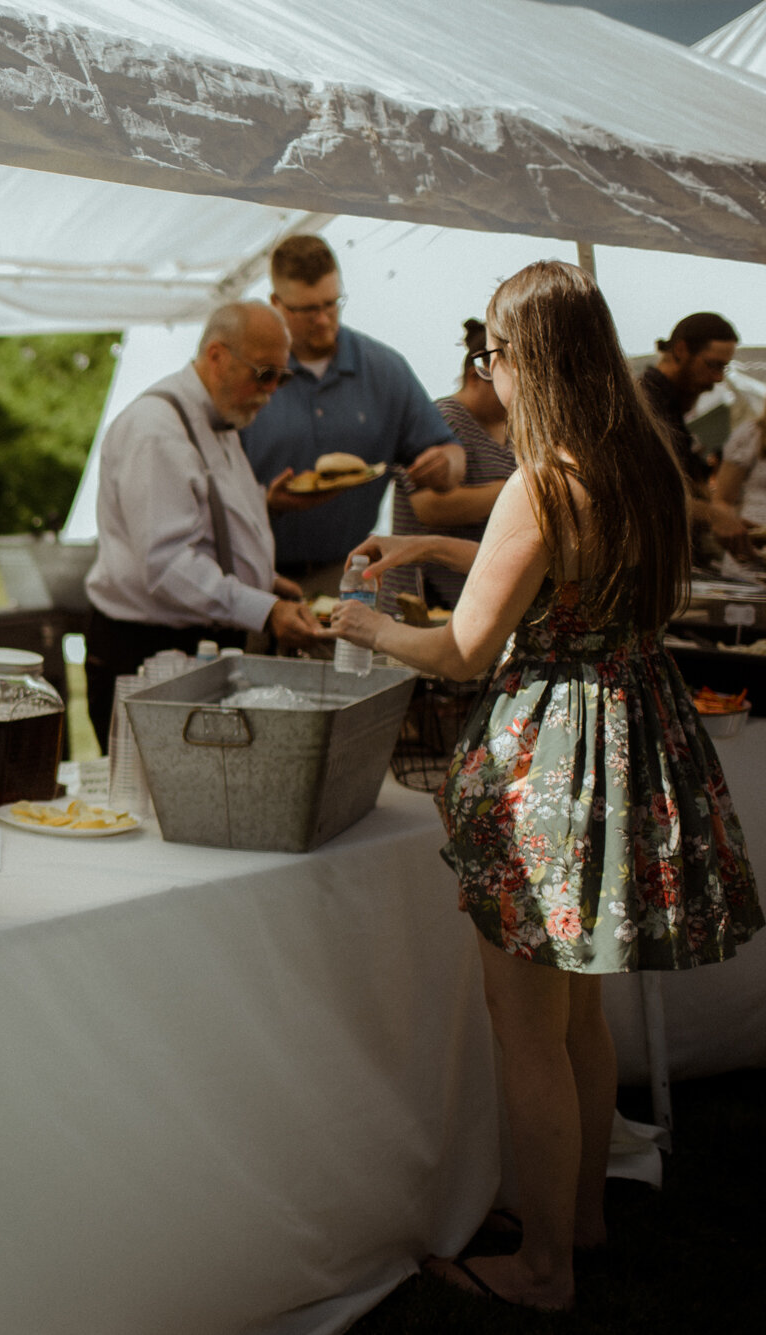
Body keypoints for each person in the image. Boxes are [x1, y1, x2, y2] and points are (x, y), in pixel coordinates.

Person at [329, 260, 761, 1313]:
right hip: (634, 733)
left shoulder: (540, 479)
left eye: (495, 356)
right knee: (577, 1014)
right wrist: (433, 541)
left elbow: (464, 652)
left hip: (548, 767)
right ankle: (581, 1218)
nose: (492, 375)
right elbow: (558, 568)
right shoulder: (643, 464)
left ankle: (540, 1269)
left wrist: (364, 624)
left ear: (525, 358)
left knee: (523, 1024)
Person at [82, 300, 327, 743]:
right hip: (146, 652)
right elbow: (169, 565)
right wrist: (264, 609)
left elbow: (206, 527)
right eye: (264, 374)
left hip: (193, 645)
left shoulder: (219, 417)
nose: (272, 391)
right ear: (217, 357)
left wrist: (263, 578)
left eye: (282, 376)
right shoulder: (157, 430)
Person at [240, 235, 469, 597]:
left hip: (343, 576)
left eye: (332, 303)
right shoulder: (251, 373)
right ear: (276, 304)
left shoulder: (383, 370)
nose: (322, 319)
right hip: (251, 576)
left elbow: (451, 455)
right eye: (307, 309)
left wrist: (444, 466)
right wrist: (266, 505)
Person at [381, 318, 516, 612]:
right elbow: (430, 507)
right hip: (422, 605)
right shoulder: (441, 421)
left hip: (477, 602)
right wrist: (514, 491)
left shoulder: (514, 430)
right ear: (476, 376)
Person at [642, 312, 750, 557]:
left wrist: (726, 521)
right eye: (713, 365)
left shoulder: (670, 405)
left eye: (724, 368)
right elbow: (646, 496)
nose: (718, 378)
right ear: (681, 350)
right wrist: (713, 515)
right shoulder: (645, 403)